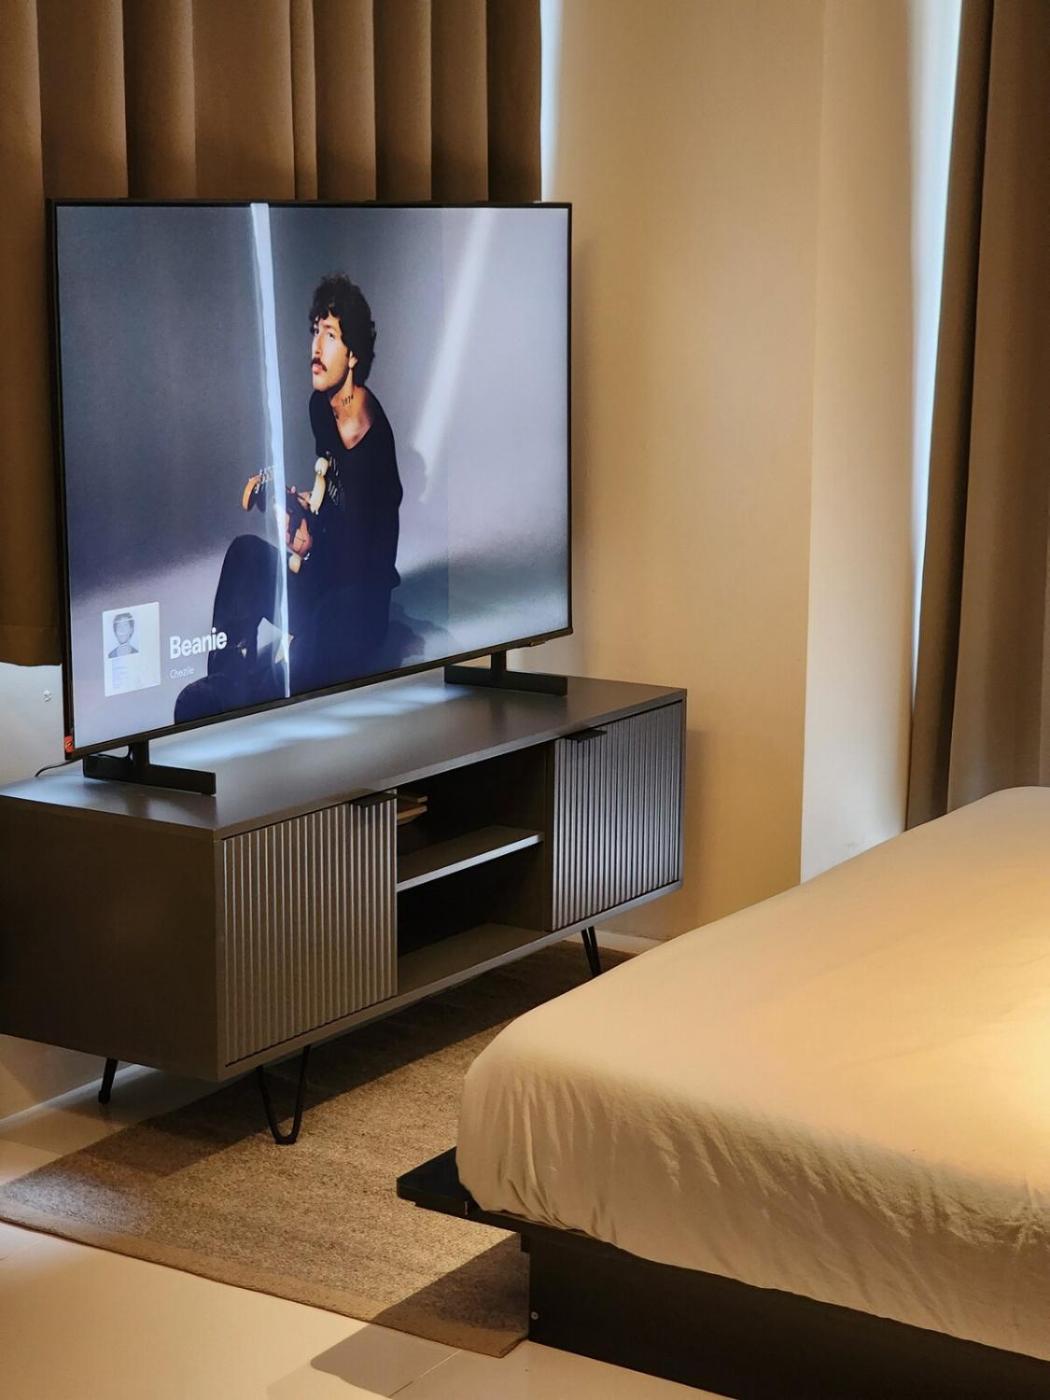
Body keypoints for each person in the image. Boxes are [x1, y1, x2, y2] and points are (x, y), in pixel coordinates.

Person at [176, 274, 403, 722]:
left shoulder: (372, 443)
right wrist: (304, 515)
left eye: (331, 335)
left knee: (316, 642)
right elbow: (329, 499)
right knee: (244, 556)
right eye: (315, 331)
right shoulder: (322, 408)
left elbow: (368, 558)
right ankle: (223, 682)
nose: (316, 347)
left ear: (353, 354)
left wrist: (311, 541)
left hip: (358, 604)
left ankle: (243, 701)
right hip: (324, 582)